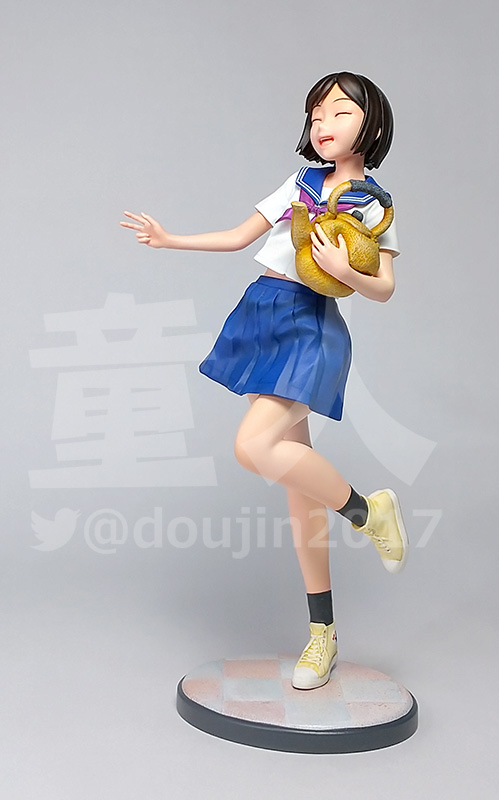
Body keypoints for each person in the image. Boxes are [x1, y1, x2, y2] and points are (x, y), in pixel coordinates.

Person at [120, 71, 409, 691]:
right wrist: (169, 241)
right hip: (264, 315)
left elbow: (384, 287)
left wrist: (344, 271)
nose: (324, 125)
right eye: (316, 115)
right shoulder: (300, 183)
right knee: (298, 492)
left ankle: (367, 511)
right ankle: (322, 635)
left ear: (372, 124)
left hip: (310, 327)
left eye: (339, 112)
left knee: (253, 447)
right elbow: (238, 237)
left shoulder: (375, 205)